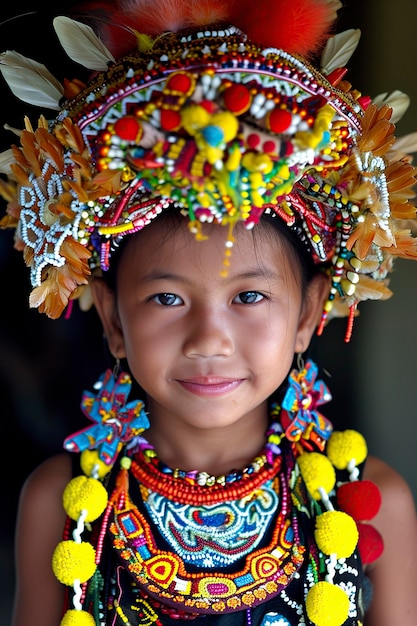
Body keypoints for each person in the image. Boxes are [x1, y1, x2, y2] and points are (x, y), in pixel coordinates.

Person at [1, 0, 417, 624]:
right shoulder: (60, 505)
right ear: (114, 319)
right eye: (167, 298)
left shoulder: (369, 501)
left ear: (307, 313)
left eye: (249, 297)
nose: (208, 338)